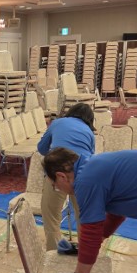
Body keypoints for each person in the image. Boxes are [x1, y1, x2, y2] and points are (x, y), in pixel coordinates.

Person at [37, 103, 95, 251]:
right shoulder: (89, 131)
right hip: (83, 175)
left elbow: (41, 148)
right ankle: (85, 253)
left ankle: (54, 253)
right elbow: (90, 156)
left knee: (51, 216)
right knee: (83, 217)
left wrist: (56, 151)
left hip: (58, 171)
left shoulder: (58, 123)